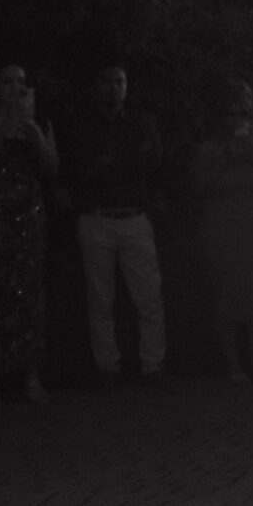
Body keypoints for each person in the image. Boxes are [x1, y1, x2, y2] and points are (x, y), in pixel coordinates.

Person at [62, 64, 166, 385]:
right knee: (99, 298)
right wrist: (122, 163)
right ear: (96, 86)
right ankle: (108, 367)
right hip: (97, 216)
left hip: (133, 215)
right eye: (107, 81)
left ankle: (153, 365)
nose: (114, 88)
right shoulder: (82, 126)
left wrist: (110, 164)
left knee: (148, 296)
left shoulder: (141, 122)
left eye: (120, 82)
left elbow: (152, 161)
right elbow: (81, 169)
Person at [0, 63, 59, 410]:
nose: (15, 89)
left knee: (30, 294)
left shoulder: (40, 124)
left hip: (29, 215)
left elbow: (52, 170)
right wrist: (6, 125)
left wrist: (33, 133)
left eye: (21, 82)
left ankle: (30, 374)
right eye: (7, 82)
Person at [191, 78, 253, 380]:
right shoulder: (209, 148)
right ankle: (234, 365)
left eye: (243, 113)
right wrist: (228, 155)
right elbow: (200, 186)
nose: (238, 120)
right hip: (223, 229)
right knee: (227, 294)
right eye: (231, 114)